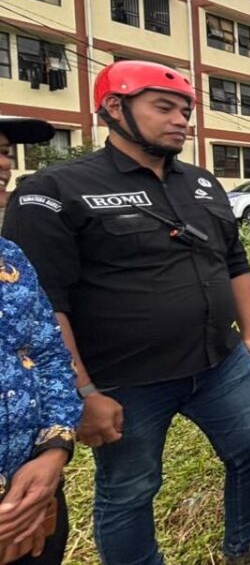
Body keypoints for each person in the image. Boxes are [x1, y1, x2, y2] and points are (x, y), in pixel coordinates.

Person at [3, 60, 250, 565]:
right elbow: (46, 303)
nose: (181, 119)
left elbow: (233, 261)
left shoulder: (202, 184)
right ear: (115, 109)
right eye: (164, 107)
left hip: (218, 363)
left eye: (185, 109)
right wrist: (85, 393)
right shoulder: (55, 190)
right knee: (131, 489)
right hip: (126, 380)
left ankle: (248, 545)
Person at [0, 116, 82, 565]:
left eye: (5, 151)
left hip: (36, 493)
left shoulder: (9, 259)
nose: (3, 163)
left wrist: (53, 452)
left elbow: (49, 355)